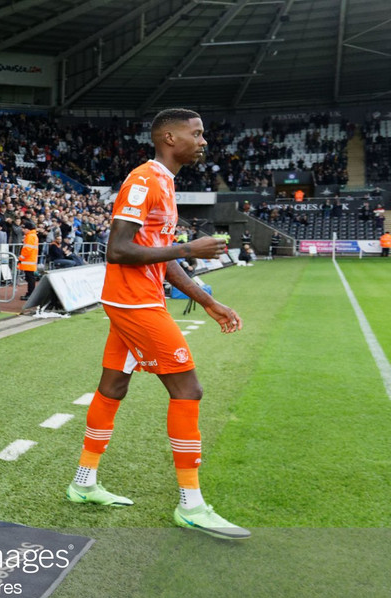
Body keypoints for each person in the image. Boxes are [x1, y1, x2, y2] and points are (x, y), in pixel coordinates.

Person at [65, 108, 247, 540]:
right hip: (134, 305)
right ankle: (191, 506)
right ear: (169, 136)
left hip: (136, 300)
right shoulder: (144, 179)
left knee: (113, 387)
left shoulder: (165, 182)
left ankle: (83, 482)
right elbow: (119, 250)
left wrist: (208, 301)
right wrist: (187, 250)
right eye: (196, 133)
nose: (203, 141)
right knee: (188, 389)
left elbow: (158, 259)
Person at [18, 220, 39, 300]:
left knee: (30, 278)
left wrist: (20, 258)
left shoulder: (30, 236)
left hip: (28, 260)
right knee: (30, 278)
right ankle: (30, 293)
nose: (23, 230)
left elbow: (27, 249)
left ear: (28, 229)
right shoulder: (33, 235)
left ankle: (30, 294)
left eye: (24, 228)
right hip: (30, 260)